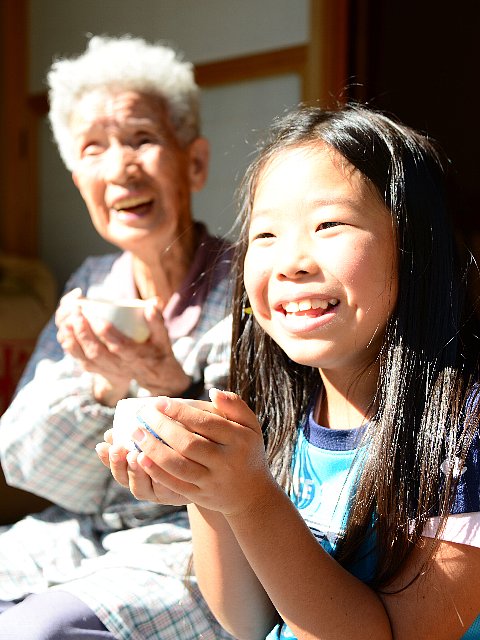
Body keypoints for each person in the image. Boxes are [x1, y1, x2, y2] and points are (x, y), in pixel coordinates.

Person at [98, 104, 480, 639]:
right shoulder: (280, 411)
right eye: (266, 236)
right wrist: (206, 489)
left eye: (328, 225)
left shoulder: (464, 433)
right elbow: (248, 621)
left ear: (416, 247)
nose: (291, 261)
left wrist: (251, 499)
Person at [0, 35, 235, 639]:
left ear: (195, 162)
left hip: (194, 548)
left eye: (142, 138)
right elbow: (21, 458)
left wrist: (169, 385)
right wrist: (102, 389)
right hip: (82, 534)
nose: (120, 168)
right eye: (93, 149)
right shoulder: (91, 284)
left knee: (38, 631)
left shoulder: (248, 283)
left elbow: (262, 470)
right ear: (79, 179)